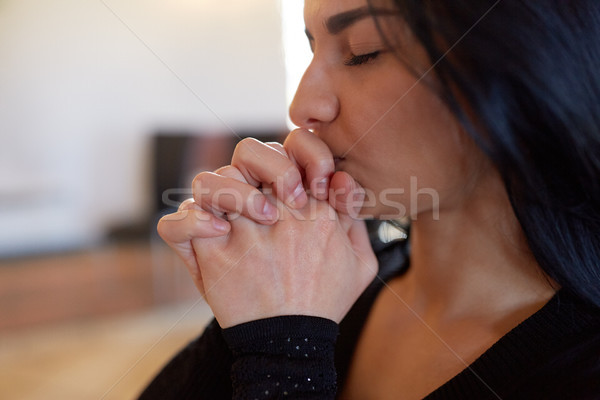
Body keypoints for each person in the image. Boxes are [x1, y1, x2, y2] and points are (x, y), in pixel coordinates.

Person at [139, 0, 600, 398]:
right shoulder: (330, 285)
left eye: (362, 52)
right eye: (312, 50)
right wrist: (251, 318)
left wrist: (284, 349)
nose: (302, 106)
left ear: (517, 61)